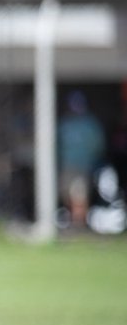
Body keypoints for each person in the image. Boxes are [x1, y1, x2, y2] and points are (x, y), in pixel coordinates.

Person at [57, 90, 106, 228]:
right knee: (67, 195)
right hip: (67, 166)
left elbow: (98, 145)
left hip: (83, 166)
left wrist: (91, 161)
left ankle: (79, 226)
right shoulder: (65, 124)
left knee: (80, 196)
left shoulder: (90, 124)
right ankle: (73, 223)